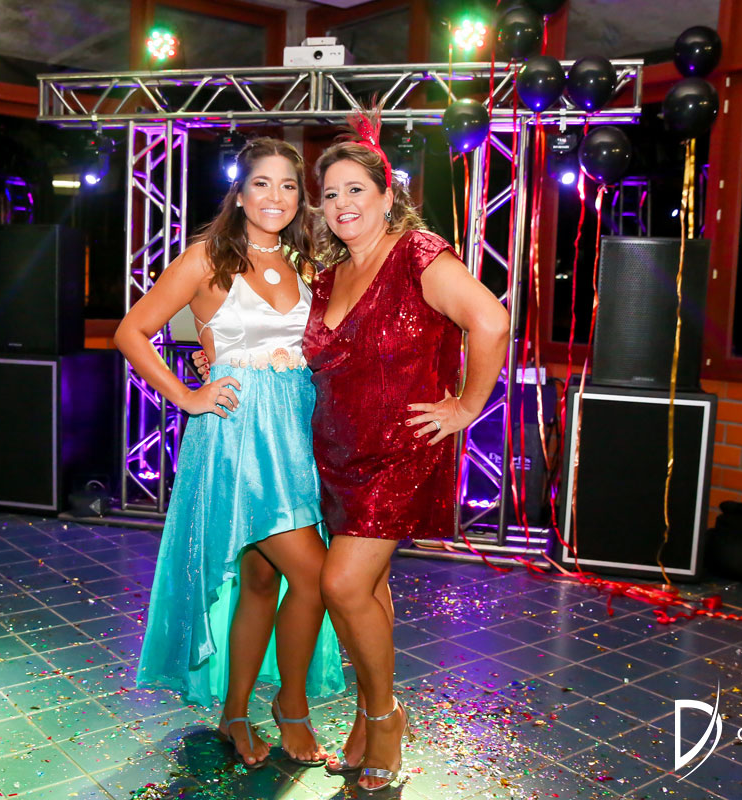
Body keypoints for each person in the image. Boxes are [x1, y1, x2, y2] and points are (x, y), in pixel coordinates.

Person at [114, 137, 342, 769]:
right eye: (262, 183)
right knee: (315, 577)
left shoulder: (306, 262)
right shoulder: (205, 258)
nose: (276, 196)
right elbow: (131, 331)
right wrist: (188, 396)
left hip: (297, 434)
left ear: (301, 198)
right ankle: (290, 706)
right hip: (238, 439)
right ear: (239, 194)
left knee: (263, 580)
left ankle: (234, 714)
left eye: (289, 185)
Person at [302, 111, 510, 791]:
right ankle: (369, 719)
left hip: (399, 449)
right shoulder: (330, 276)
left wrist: (467, 406)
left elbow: (491, 320)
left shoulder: (417, 252)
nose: (342, 204)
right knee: (369, 589)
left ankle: (385, 717)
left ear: (388, 196)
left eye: (356, 190)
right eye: (331, 194)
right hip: (337, 454)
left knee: (342, 585)